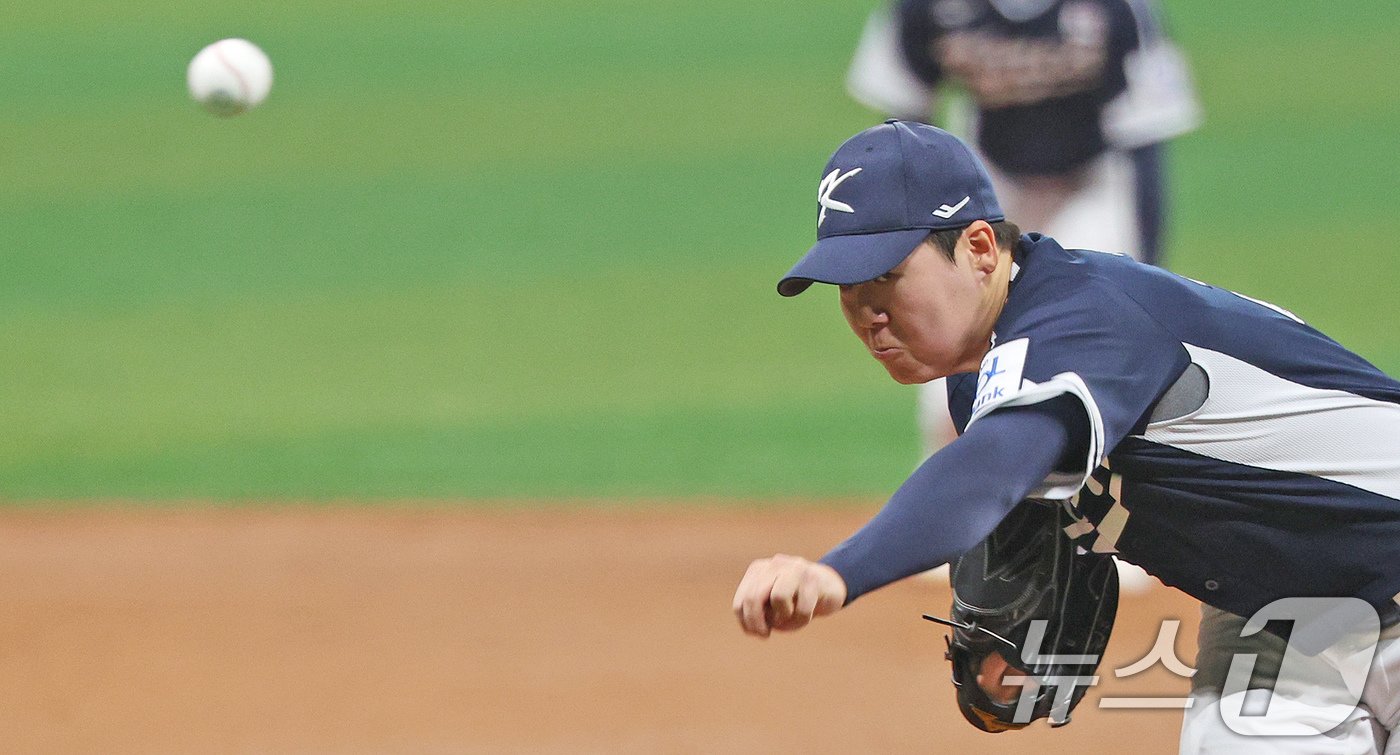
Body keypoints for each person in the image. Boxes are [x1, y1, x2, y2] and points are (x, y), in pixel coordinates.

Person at [732, 120, 1400, 752]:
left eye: (886, 275)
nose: (867, 313)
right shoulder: (985, 380)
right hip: (1286, 613)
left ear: (980, 249)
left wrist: (837, 571)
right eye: (846, 286)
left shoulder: (1083, 319)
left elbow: (986, 474)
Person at [846, 0, 1203, 454]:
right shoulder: (928, 8)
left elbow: (1144, 140)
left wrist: (1148, 275)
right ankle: (958, 511)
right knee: (946, 363)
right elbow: (903, 125)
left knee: (1086, 355)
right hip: (987, 180)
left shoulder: (1118, 10)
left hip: (1092, 187)